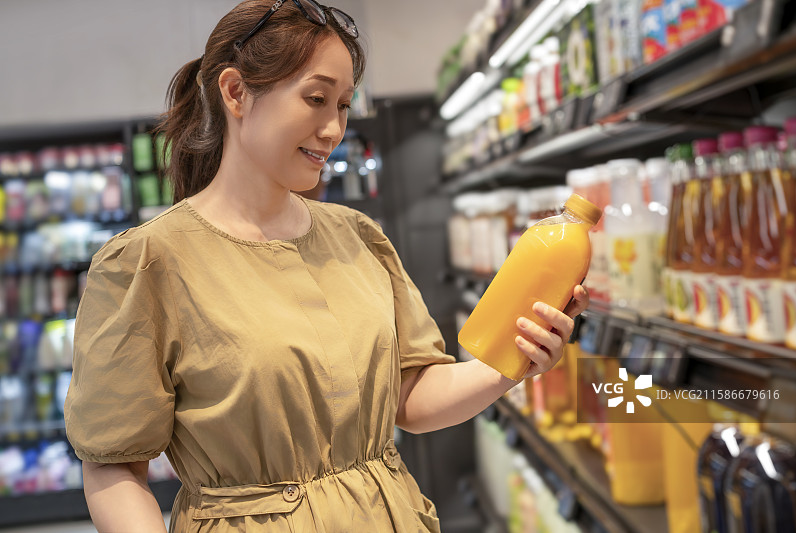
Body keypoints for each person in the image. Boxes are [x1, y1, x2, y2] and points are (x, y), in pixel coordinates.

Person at [64, 1, 589, 531]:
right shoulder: (147, 263)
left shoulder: (358, 237)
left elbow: (411, 397)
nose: (334, 129)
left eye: (343, 105)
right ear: (235, 92)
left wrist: (507, 365)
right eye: (316, 99)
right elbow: (113, 468)